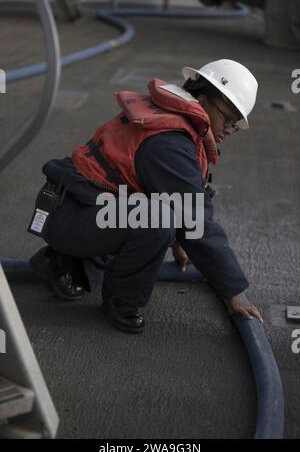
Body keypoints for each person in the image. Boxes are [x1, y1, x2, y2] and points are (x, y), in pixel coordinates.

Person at [28, 58, 263, 334]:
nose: (228, 130)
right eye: (229, 119)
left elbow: (171, 197)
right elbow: (195, 219)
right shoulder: (170, 143)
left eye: (235, 125)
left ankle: (64, 265)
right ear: (204, 100)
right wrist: (233, 292)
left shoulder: (174, 124)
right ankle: (122, 302)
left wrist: (178, 241)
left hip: (77, 206)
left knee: (155, 217)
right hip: (71, 212)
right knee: (156, 220)